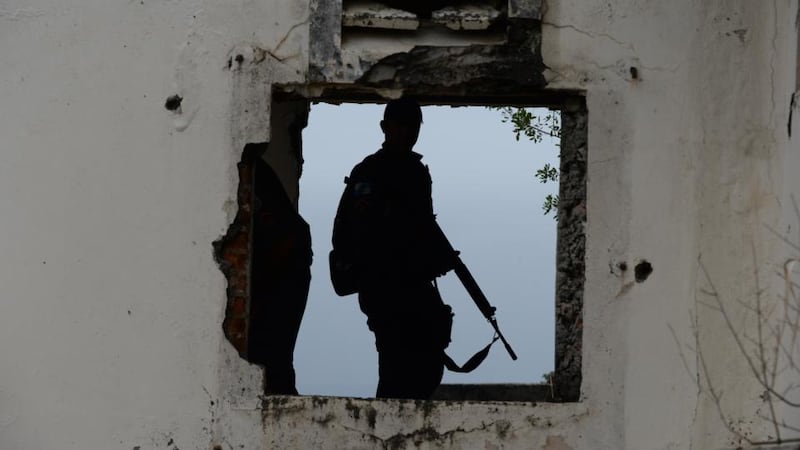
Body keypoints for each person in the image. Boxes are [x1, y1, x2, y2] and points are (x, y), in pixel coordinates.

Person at [333, 98, 455, 399]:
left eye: (411, 126)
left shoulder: (416, 172)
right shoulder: (371, 171)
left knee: (427, 360)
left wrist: (435, 256)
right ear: (385, 128)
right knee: (396, 368)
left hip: (414, 283)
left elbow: (423, 226)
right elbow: (358, 230)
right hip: (383, 285)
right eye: (399, 125)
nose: (406, 132)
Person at [247, 147, 312, 395]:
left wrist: (260, 290)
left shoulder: (255, 175)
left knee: (273, 357)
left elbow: (288, 240)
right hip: (279, 269)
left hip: (285, 271)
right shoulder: (251, 173)